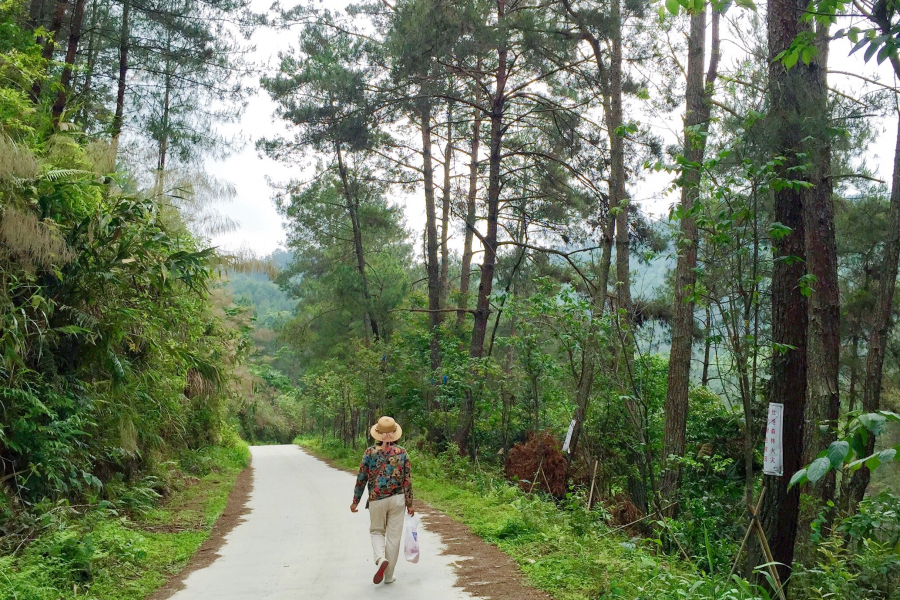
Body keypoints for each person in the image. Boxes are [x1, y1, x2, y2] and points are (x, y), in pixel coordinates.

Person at [351, 416, 414, 585]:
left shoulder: (369, 452)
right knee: (393, 538)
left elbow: (362, 478)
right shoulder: (402, 453)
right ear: (395, 434)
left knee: (377, 531)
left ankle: (380, 558)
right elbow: (407, 479)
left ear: (377, 434)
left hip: (376, 499)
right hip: (398, 499)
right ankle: (388, 576)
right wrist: (410, 503)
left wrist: (355, 501)